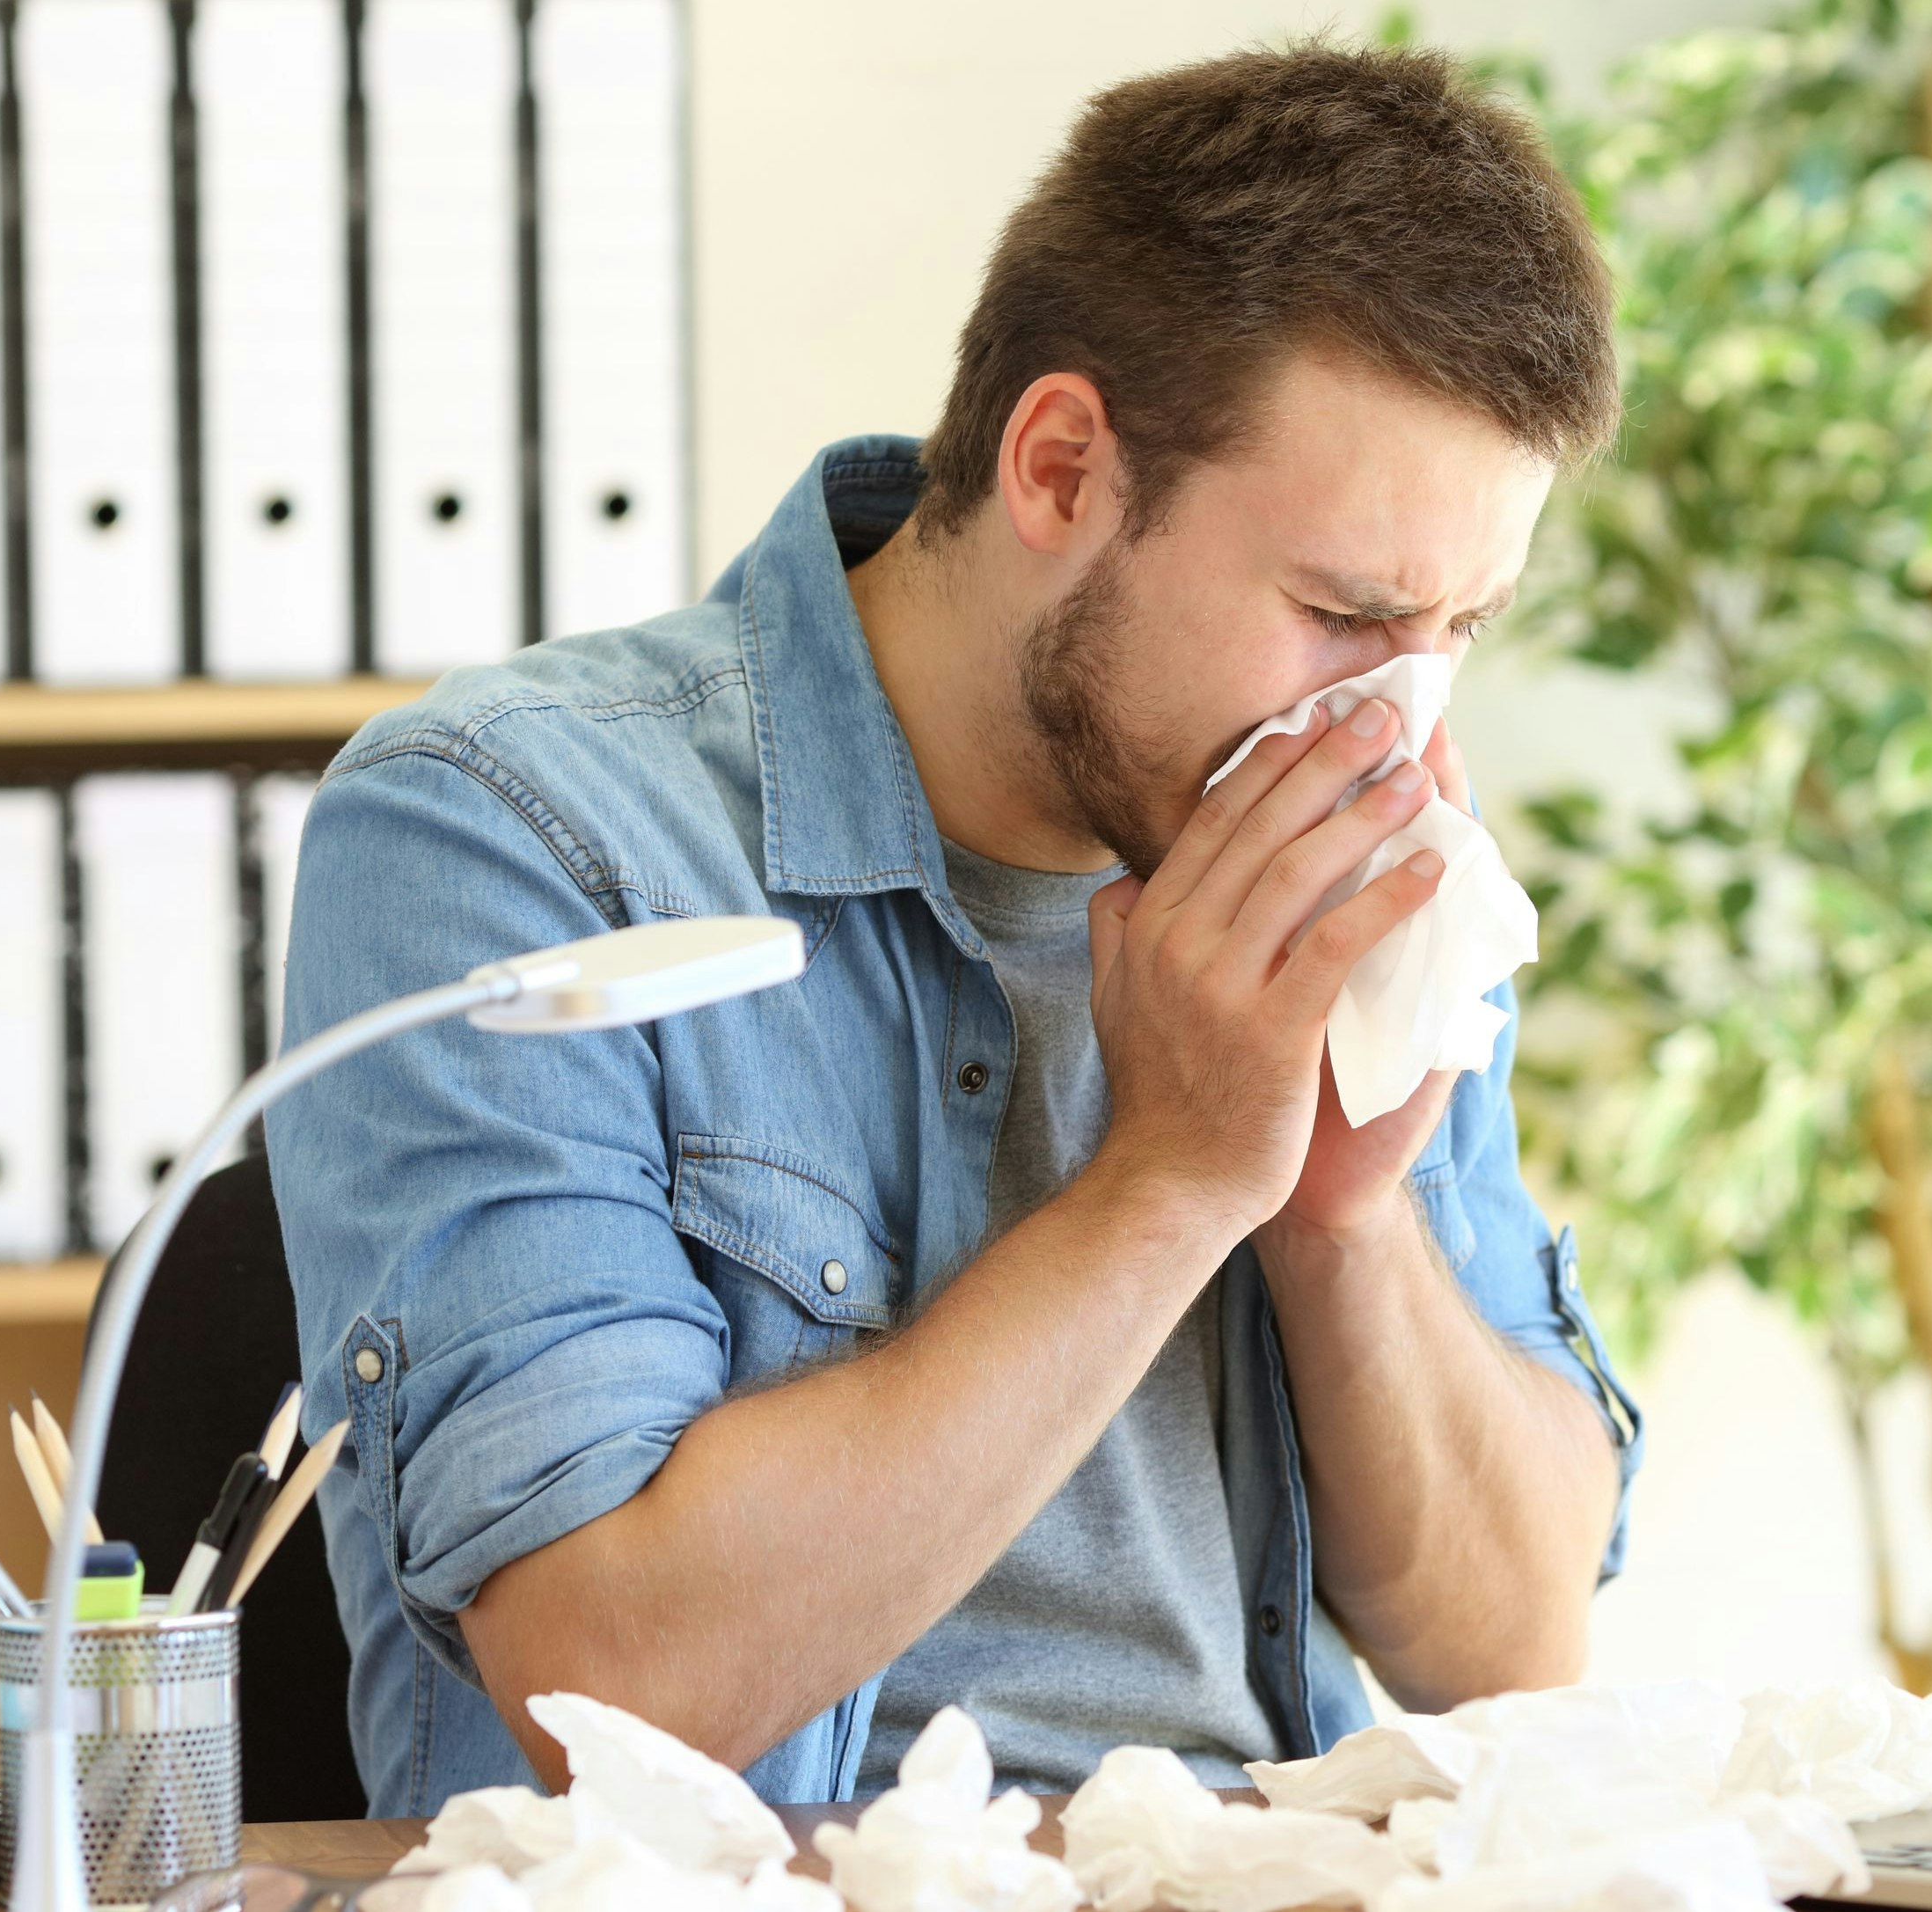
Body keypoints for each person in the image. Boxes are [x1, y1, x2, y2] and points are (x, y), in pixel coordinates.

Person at [270, 40, 1642, 1812]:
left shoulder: (1363, 857)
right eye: (1339, 611)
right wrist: (1171, 1183)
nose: (1393, 719)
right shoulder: (513, 831)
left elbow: (1514, 1642)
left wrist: (1342, 1219)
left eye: (1462, 626)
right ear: (1062, 466)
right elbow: (602, 1686)